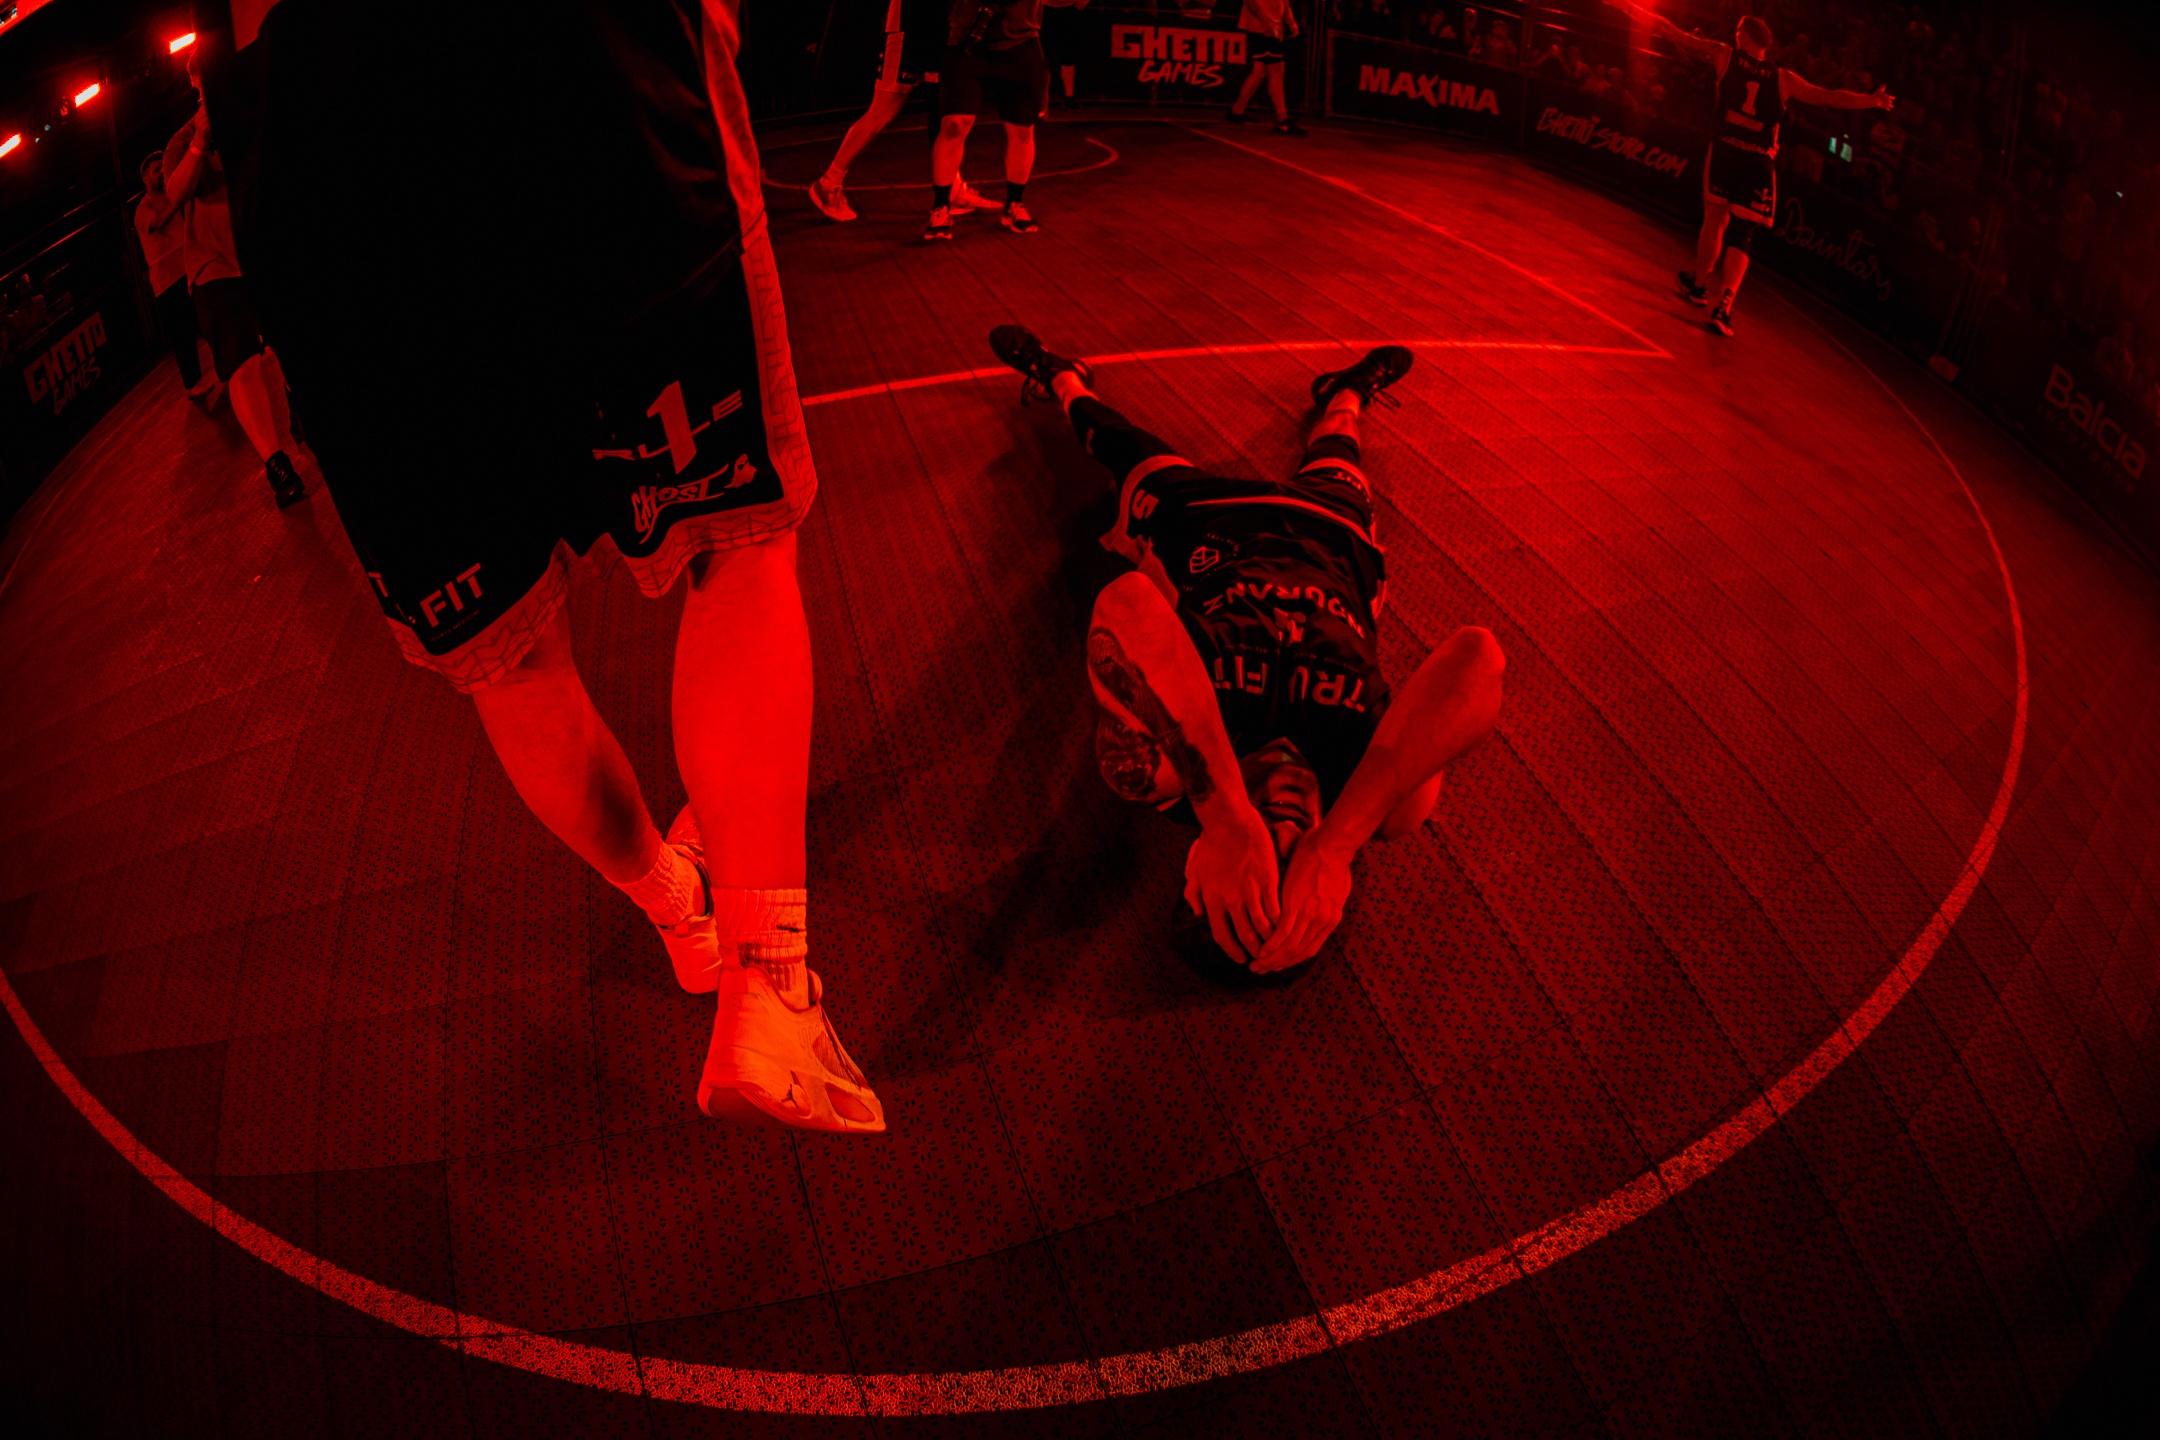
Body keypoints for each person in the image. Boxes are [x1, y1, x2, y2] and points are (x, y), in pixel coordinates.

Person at [200, 0, 883, 1133]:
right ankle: (770, 984)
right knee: (736, 534)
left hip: (313, 141)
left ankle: (675, 910)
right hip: (568, 57)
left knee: (505, 657)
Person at [984, 326, 1506, 973]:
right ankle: (1345, 390)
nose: (1284, 830)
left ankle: (1059, 374)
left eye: (1266, 861)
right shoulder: (1379, 805)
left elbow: (1128, 603)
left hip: (1200, 522)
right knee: (1342, 437)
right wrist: (1335, 845)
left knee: (1110, 438)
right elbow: (1478, 658)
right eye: (1296, 863)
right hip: (1331, 536)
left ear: (1198, 866)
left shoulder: (1161, 770)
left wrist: (1230, 819)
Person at [1615, 5, 1893, 336]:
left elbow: (1673, 33)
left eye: (1737, 31)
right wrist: (1871, 101)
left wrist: (1629, 7)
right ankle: (1724, 306)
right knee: (1742, 234)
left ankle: (1700, 286)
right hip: (1759, 159)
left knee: (1714, 221)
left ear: (1744, 36)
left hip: (1726, 149)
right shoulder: (1784, 79)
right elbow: (1828, 97)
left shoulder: (1724, 56)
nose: (1734, 34)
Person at [164, 51, 305, 506]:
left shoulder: (249, 116)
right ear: (195, 81)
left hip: (261, 253)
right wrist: (200, 143)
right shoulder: (181, 140)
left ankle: (299, 409)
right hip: (215, 270)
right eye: (206, 73)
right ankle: (276, 464)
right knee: (242, 364)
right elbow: (174, 193)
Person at [807, 0, 995, 223]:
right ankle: (828, 183)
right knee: (883, 110)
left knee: (942, 110)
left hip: (942, 27)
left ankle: (952, 190)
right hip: (909, 25)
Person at [929, 0, 1049, 240]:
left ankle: (1014, 204)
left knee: (1022, 131)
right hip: (966, 40)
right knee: (953, 126)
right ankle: (940, 207)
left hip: (1022, 43)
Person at [133, 150, 218, 412]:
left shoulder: (171, 194)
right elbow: (157, 223)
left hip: (188, 269)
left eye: (163, 167)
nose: (162, 172)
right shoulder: (143, 208)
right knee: (182, 334)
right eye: (156, 170)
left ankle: (230, 357)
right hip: (167, 282)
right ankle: (193, 384)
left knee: (207, 318)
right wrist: (177, 199)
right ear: (145, 177)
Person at [1226, 0, 1304, 135]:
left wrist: (1291, 22)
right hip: (1261, 27)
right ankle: (1283, 120)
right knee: (1276, 70)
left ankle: (1237, 111)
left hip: (1272, 26)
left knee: (1260, 71)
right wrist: (1264, 20)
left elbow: (1284, 3)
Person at [1042, 0, 1089, 111]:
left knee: (1068, 55)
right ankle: (1040, 98)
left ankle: (1069, 98)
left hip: (1069, 8)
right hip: (1045, 8)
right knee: (1043, 55)